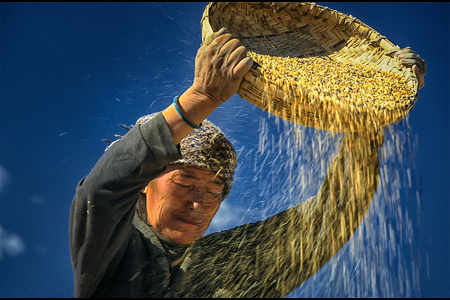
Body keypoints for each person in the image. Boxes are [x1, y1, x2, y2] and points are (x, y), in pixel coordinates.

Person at [69, 27, 426, 297]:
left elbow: (332, 217)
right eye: (183, 183)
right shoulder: (115, 253)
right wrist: (201, 97)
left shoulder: (228, 264)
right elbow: (102, 191)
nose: (198, 203)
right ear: (146, 181)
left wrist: (369, 120)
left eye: (214, 191)